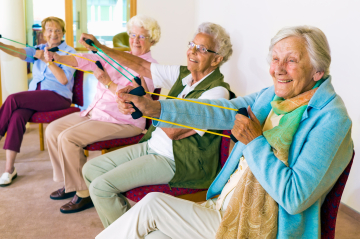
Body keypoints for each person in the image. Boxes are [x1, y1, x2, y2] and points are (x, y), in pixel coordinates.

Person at [100, 25, 354, 239]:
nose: (278, 69)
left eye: (292, 60)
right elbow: (218, 111)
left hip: (263, 227)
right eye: (275, 59)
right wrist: (155, 108)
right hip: (227, 206)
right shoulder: (273, 96)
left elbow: (294, 197)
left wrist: (254, 141)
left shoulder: (332, 119)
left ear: (318, 71)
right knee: (151, 234)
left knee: (152, 206)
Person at [80, 22, 235, 227]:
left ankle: (124, 231)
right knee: (91, 169)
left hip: (177, 159)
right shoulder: (184, 75)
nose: (192, 51)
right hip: (153, 145)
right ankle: (130, 227)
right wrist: (101, 48)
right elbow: (141, 66)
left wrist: (146, 105)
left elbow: (174, 132)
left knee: (101, 187)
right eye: (192, 44)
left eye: (202, 49)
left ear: (217, 59)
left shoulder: (217, 92)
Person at [43, 15, 160, 213]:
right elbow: (85, 60)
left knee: (68, 138)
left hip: (122, 121)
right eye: (133, 35)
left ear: (152, 40)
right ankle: (71, 183)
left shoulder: (150, 68)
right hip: (96, 112)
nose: (136, 40)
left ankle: (83, 193)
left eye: (142, 36)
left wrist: (107, 81)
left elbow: (133, 99)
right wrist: (57, 58)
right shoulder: (119, 55)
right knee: (53, 130)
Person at [0, 17, 76, 187]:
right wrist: (1, 44)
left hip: (58, 97)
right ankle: (9, 169)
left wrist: (48, 60)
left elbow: (63, 79)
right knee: (17, 115)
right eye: (49, 30)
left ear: (63, 32)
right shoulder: (38, 49)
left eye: (57, 30)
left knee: (13, 99)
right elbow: (15, 51)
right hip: (37, 98)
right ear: (43, 33)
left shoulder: (69, 52)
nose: (53, 34)